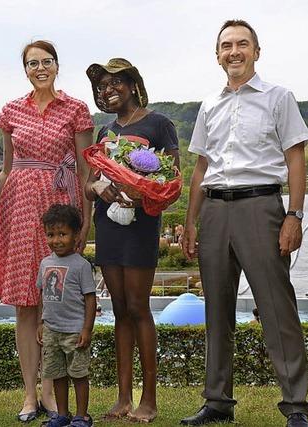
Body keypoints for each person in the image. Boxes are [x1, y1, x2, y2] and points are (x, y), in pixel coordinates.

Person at [180, 19, 308, 427]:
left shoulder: (279, 97)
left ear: (257, 51)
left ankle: (295, 406)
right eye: (226, 45)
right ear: (217, 55)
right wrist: (190, 221)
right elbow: (201, 167)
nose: (233, 51)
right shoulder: (209, 105)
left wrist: (293, 214)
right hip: (215, 211)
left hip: (261, 208)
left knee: (277, 307)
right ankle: (217, 401)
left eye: (242, 44)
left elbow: (295, 160)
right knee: (216, 309)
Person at [0, 40, 94, 422]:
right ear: (25, 69)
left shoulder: (76, 109)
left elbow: (86, 171)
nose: (39, 68)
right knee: (26, 304)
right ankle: (29, 395)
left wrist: (86, 220)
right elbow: (6, 168)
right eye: (32, 63)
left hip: (60, 207)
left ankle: (52, 391)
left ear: (56, 65)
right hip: (19, 211)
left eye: (46, 61)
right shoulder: (11, 110)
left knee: (57, 302)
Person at [84, 58, 180, 423]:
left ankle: (149, 401)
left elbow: (172, 180)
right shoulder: (104, 132)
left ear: (132, 83)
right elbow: (89, 185)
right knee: (119, 309)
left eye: (113, 83)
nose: (107, 91)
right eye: (101, 87)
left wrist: (139, 192)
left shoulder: (159, 124)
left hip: (140, 226)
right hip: (108, 226)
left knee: (139, 308)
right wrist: (99, 186)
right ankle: (123, 399)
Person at [36, 204, 96, 427]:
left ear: (76, 235)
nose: (56, 240)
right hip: (51, 330)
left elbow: (90, 299)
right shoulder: (45, 263)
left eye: (62, 234)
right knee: (57, 373)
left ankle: (82, 417)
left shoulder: (81, 266)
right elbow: (42, 295)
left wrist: (86, 329)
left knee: (79, 374)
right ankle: (62, 414)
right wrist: (40, 322)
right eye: (51, 235)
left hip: (74, 330)